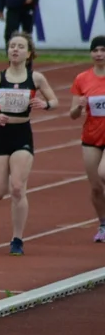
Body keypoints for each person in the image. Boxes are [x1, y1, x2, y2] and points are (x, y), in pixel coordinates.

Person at [0, 32, 59, 256]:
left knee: (17, 188)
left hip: (22, 133)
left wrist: (45, 104)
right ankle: (15, 230)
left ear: (29, 53)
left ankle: (17, 239)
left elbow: (54, 100)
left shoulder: (36, 78)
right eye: (12, 46)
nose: (15, 50)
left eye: (20, 46)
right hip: (0, 133)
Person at [66, 35, 105, 242]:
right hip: (91, 136)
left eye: (102, 50)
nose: (99, 54)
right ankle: (103, 224)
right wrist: (79, 106)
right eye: (95, 50)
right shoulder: (82, 79)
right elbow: (72, 114)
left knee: (104, 172)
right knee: (96, 187)